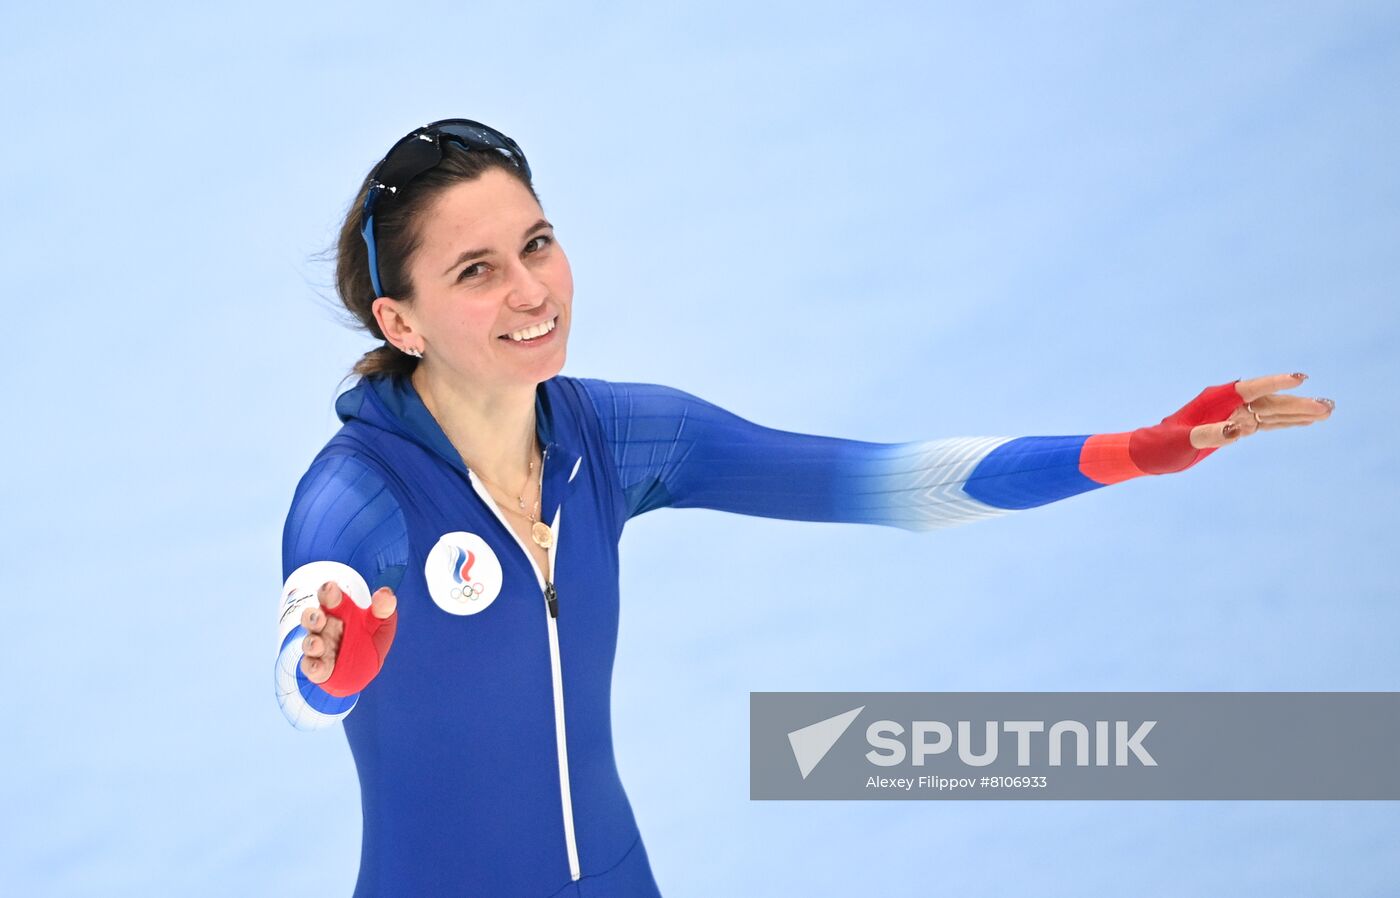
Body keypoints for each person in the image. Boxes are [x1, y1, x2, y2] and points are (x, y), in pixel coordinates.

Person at [273, 119, 1334, 897]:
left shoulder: (613, 439)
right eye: (476, 270)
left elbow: (894, 484)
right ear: (398, 320)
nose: (532, 291)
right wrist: (333, 671)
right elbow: (305, 661)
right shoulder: (362, 494)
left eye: (537, 244)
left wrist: (1136, 452)